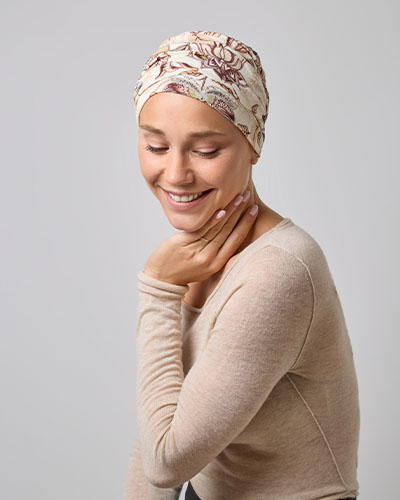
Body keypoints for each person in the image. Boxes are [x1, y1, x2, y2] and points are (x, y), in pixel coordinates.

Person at [122, 31, 360, 500]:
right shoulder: (193, 258)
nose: (176, 174)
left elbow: (166, 460)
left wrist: (157, 287)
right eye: (155, 146)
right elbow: (160, 419)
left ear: (252, 145)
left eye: (206, 150)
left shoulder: (278, 271)